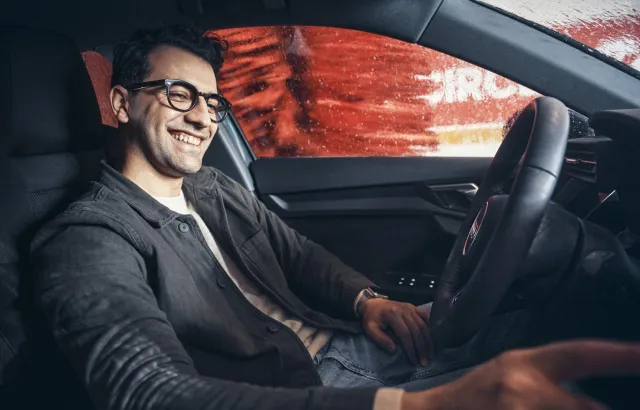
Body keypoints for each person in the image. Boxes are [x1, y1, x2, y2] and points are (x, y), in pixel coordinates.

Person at [31, 25, 640, 410]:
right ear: (120, 103)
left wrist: (367, 302)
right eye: (178, 95)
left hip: (345, 341)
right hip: (299, 391)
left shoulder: (212, 186)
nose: (202, 117)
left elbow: (298, 254)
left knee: (560, 322)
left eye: (212, 101)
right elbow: (147, 392)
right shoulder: (88, 238)